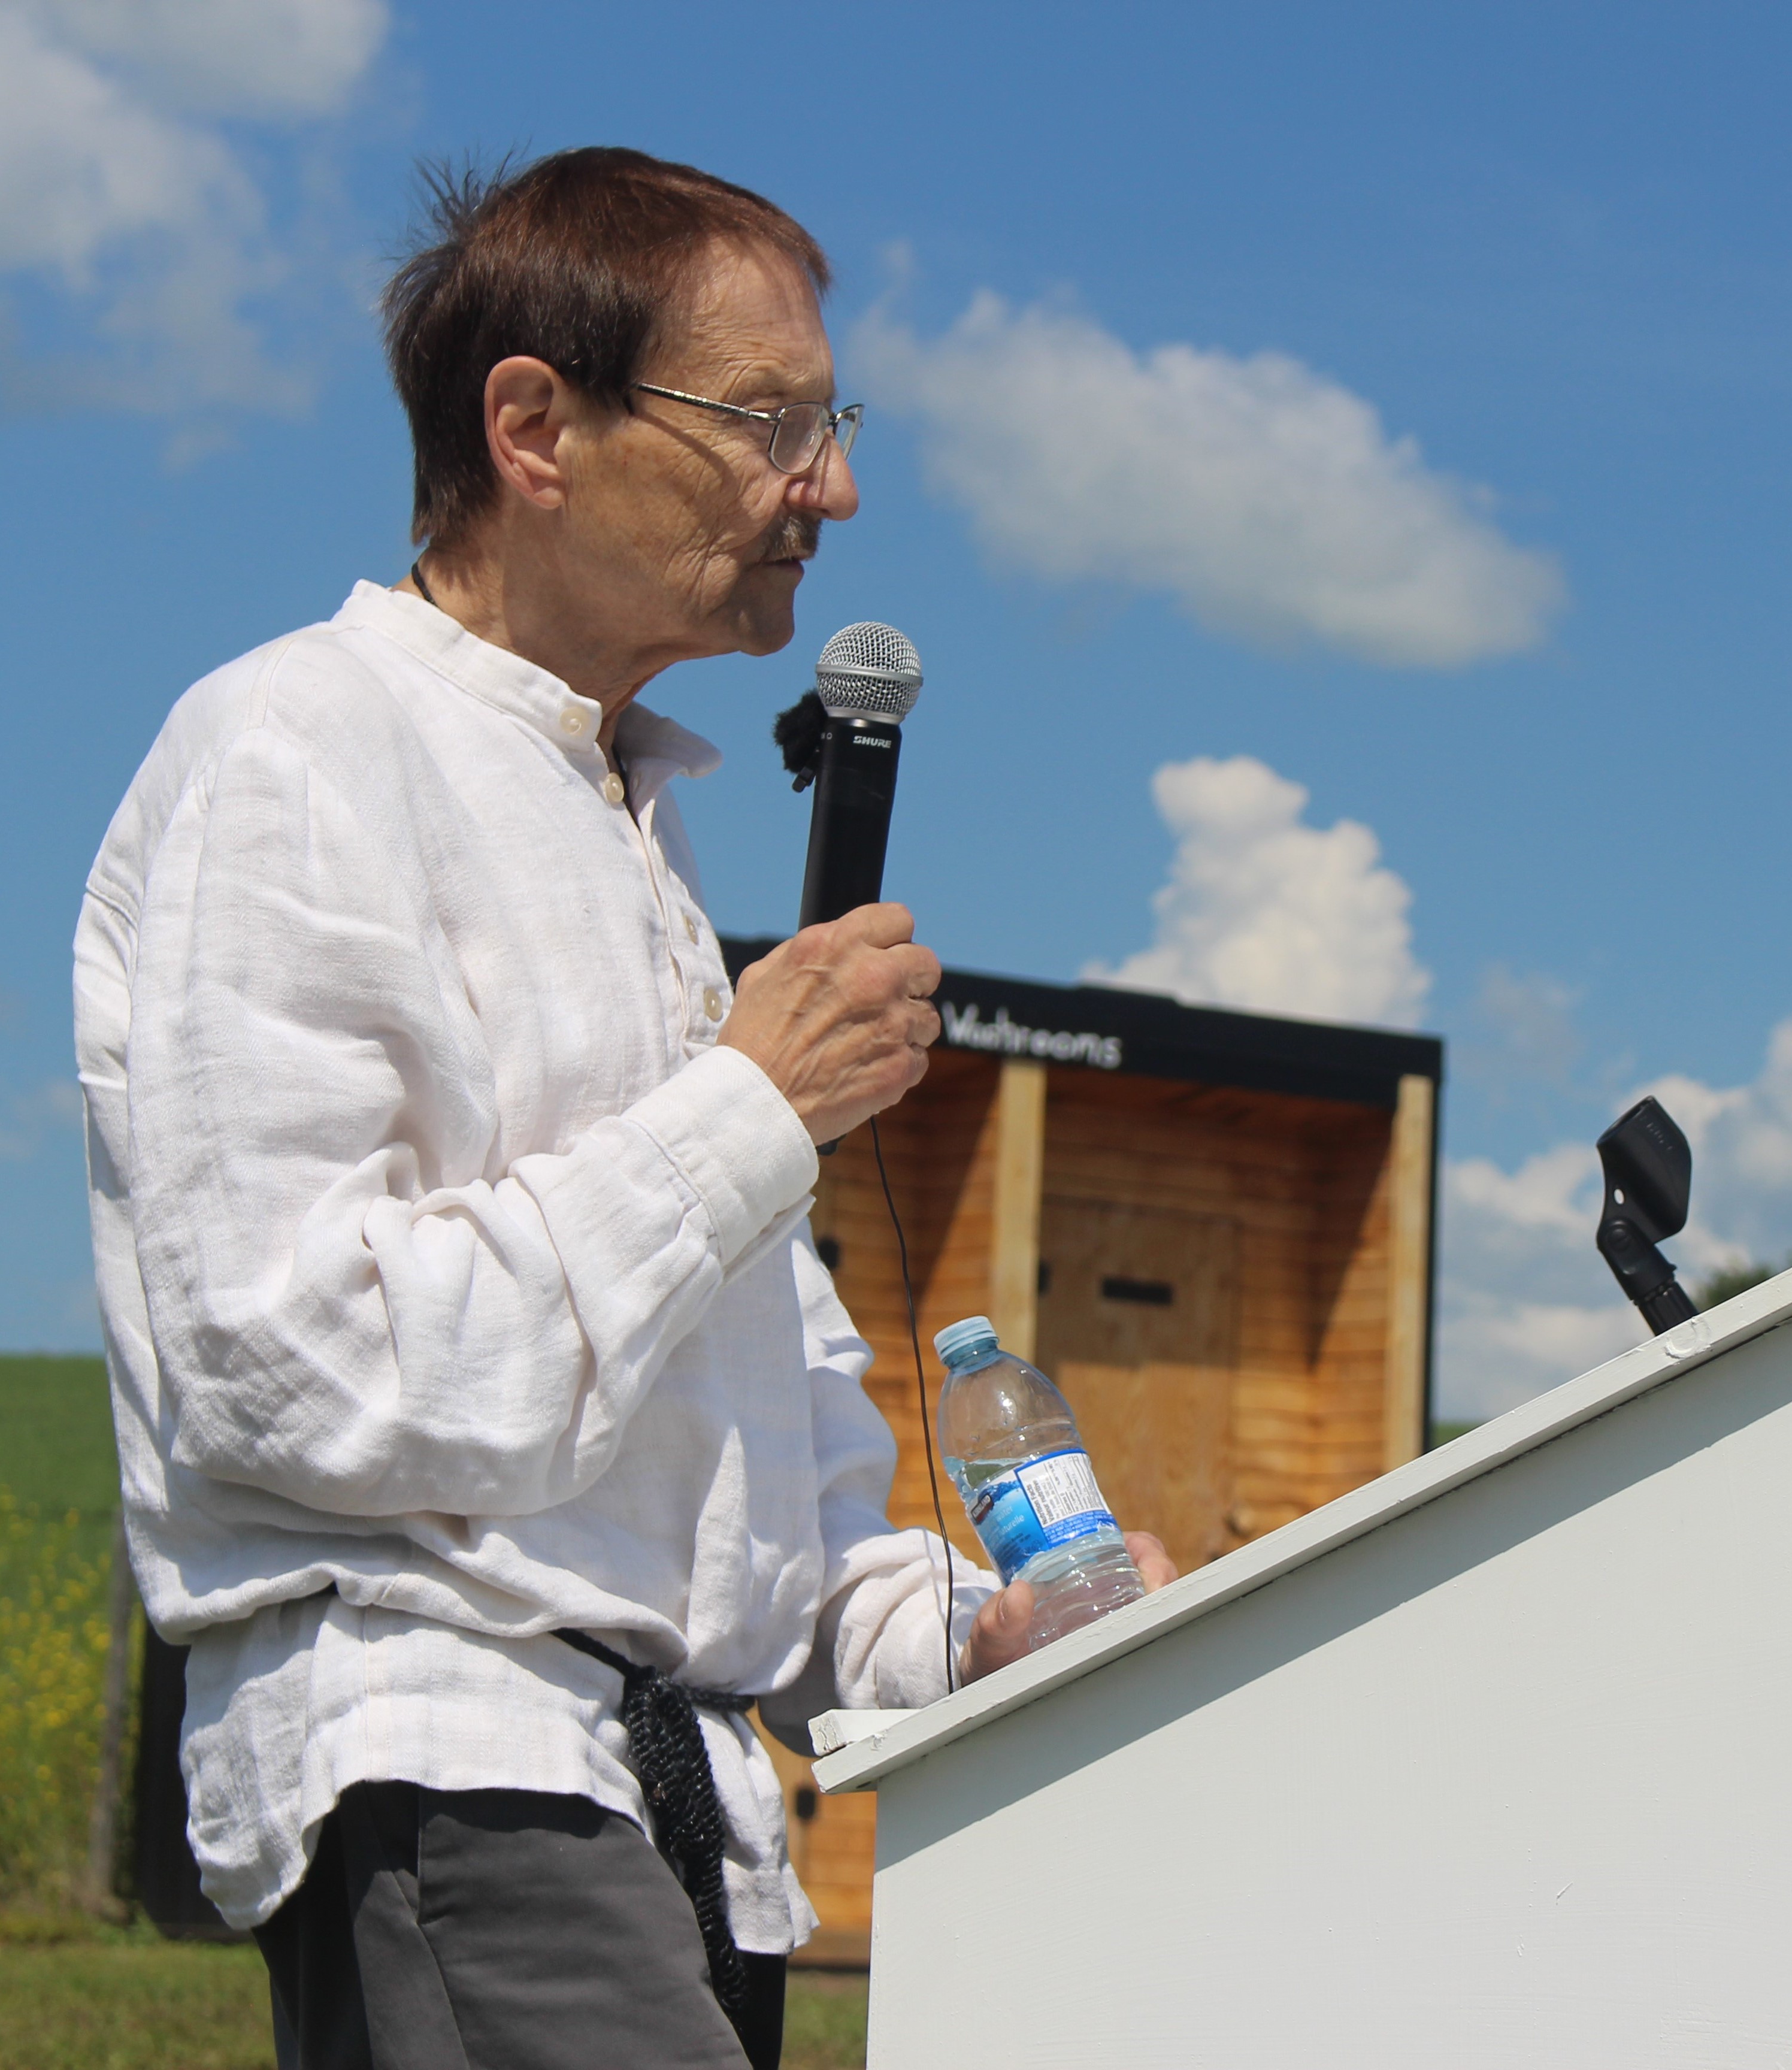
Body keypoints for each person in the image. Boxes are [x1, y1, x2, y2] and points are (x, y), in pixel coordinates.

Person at [72, 147, 1173, 2070]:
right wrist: (750, 1110)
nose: (829, 490)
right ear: (533, 428)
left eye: (830, 427)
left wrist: (972, 1637)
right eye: (768, 423)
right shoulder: (295, 746)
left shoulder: (633, 839)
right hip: (453, 1766)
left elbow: (756, 1469)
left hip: (682, 1808)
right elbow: (286, 1360)